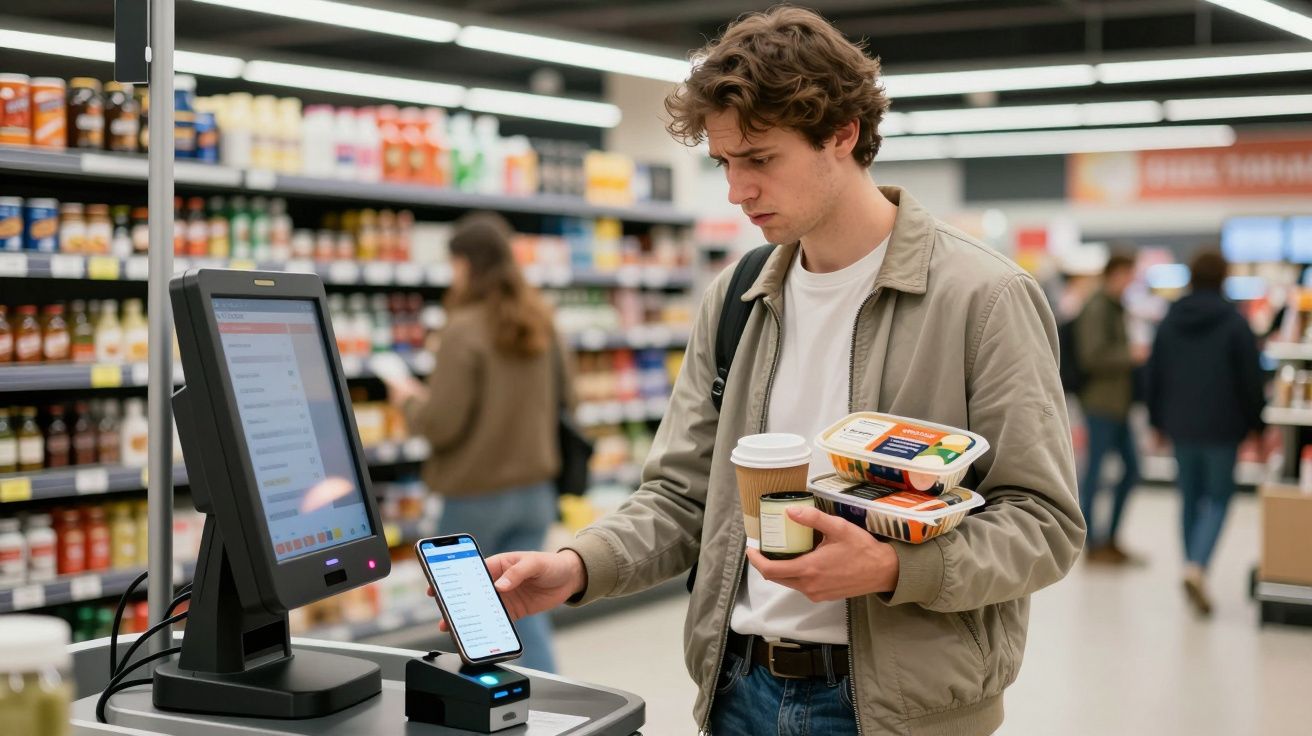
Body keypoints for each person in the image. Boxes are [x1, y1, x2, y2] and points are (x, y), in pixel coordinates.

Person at [455, 8, 1084, 734]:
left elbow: (1044, 525)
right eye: (725, 163)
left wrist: (891, 568)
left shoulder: (983, 298)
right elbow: (683, 496)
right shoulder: (737, 297)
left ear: (841, 134)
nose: (736, 190)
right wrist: (579, 565)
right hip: (739, 689)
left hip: (899, 710)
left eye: (760, 158)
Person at [385, 211, 568, 673]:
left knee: (472, 619)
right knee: (522, 610)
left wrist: (407, 400)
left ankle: (496, 708)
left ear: (465, 263)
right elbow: (570, 398)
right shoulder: (540, 317)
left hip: (476, 497)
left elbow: (441, 423)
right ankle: (546, 703)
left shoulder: (463, 328)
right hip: (536, 492)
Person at [1147, 249, 1263, 615]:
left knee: (1189, 497)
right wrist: (1257, 424)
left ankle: (1190, 566)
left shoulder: (1170, 319)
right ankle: (1197, 566)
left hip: (1180, 423)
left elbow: (1155, 373)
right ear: (1224, 277)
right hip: (1223, 425)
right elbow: (1250, 378)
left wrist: (1156, 421)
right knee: (1219, 496)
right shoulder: (1235, 322)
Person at [1075, 252, 1147, 564]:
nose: (1132, 280)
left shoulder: (1116, 307)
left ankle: (1110, 538)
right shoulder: (1097, 307)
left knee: (1132, 470)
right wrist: (1129, 355)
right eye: (1129, 273)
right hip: (1100, 404)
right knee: (1094, 473)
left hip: (1118, 404)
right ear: (1116, 273)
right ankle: (1091, 543)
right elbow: (1091, 355)